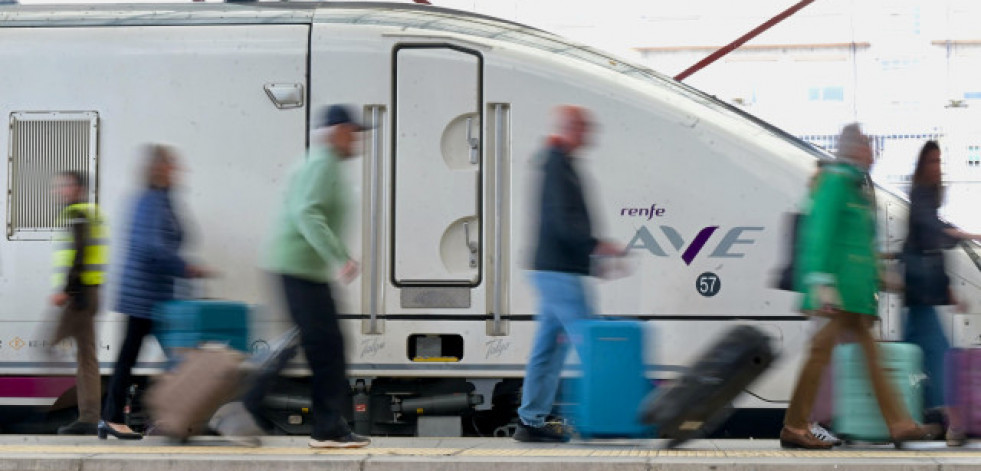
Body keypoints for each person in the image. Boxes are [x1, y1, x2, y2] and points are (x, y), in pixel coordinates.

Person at [779, 123, 936, 449]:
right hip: (836, 293)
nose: (871, 152)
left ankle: (899, 424)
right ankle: (795, 426)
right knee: (820, 356)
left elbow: (861, 242)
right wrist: (820, 282)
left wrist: (880, 275)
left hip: (855, 294)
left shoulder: (857, 187)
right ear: (851, 149)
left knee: (868, 358)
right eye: (866, 146)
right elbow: (818, 232)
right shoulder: (835, 183)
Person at [252, 105, 369, 449]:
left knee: (316, 346)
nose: (357, 141)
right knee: (328, 348)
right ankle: (325, 427)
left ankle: (245, 407)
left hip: (302, 270)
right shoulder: (322, 164)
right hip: (299, 269)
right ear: (337, 132)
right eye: (352, 132)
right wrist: (340, 257)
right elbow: (307, 211)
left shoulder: (323, 163)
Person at [513, 105, 622, 443]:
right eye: (583, 128)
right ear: (570, 128)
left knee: (548, 349)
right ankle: (612, 419)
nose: (589, 135)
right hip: (559, 271)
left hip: (554, 268)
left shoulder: (558, 161)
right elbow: (562, 219)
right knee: (593, 342)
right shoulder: (557, 163)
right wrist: (597, 245)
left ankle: (530, 421)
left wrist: (593, 254)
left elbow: (565, 219)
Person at [99, 144, 209, 440]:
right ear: (160, 169)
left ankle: (129, 417)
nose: (178, 171)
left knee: (164, 357)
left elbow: (176, 237)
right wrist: (185, 267)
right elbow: (151, 247)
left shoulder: (162, 199)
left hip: (156, 293)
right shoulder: (150, 201)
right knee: (176, 357)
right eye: (173, 165)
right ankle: (159, 418)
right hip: (146, 294)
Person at [902, 140, 981, 446]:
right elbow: (928, 231)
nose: (938, 166)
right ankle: (955, 423)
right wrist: (965, 234)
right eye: (932, 161)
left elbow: (931, 243)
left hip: (921, 290)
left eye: (939, 161)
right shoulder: (920, 194)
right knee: (940, 354)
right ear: (923, 165)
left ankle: (901, 415)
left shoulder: (928, 198)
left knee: (913, 353)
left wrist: (947, 288)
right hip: (920, 291)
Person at [48, 171, 108, 435]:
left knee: (49, 346)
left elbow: (79, 253)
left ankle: (48, 403)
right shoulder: (91, 212)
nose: (58, 191)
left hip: (79, 294)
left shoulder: (77, 213)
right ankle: (89, 417)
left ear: (77, 188)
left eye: (63, 186)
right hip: (90, 291)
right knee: (86, 356)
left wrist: (67, 289)